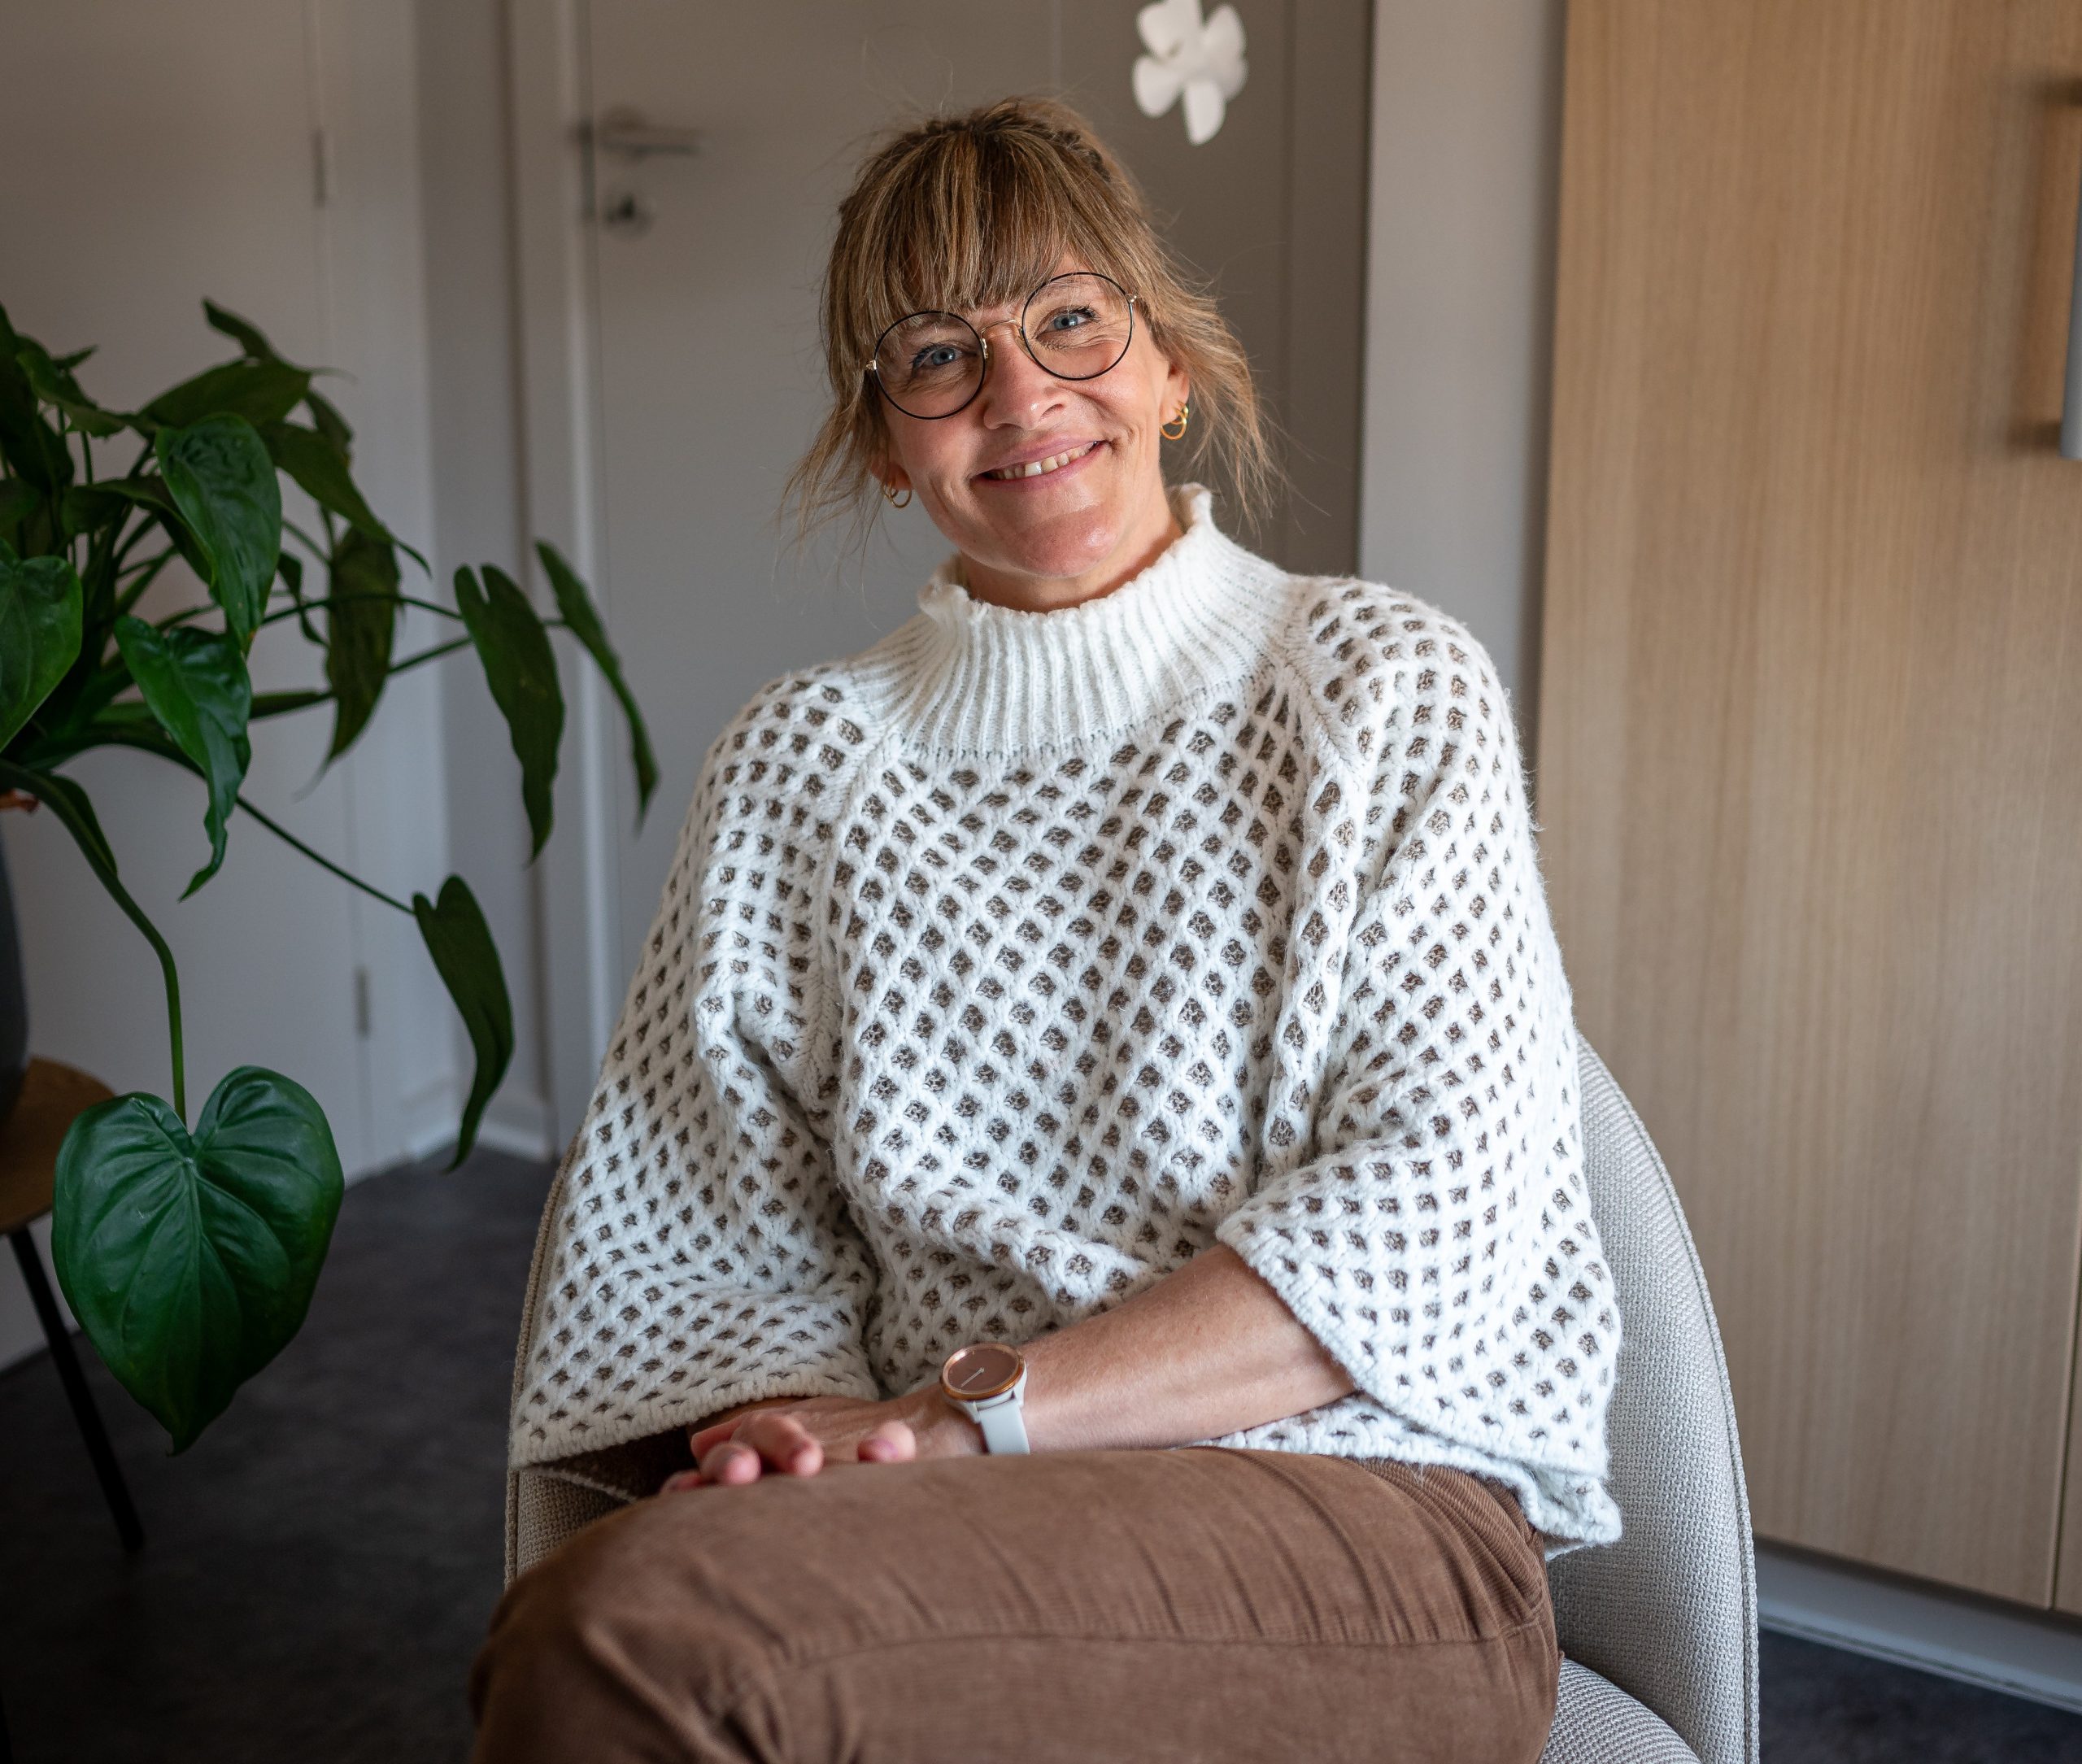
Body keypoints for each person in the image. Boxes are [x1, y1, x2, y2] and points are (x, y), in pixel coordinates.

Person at [469, 94, 1620, 1764]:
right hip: (933, 1516)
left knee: (625, 1651)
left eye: (1069, 320)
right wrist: (801, 1439)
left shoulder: (1381, 689)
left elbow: (1433, 1218)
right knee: (631, 1629)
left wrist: (960, 1420)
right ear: (885, 440)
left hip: (1367, 1509)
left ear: (1169, 363)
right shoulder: (798, 765)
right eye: (939, 356)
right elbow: (706, 1229)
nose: (1020, 395)